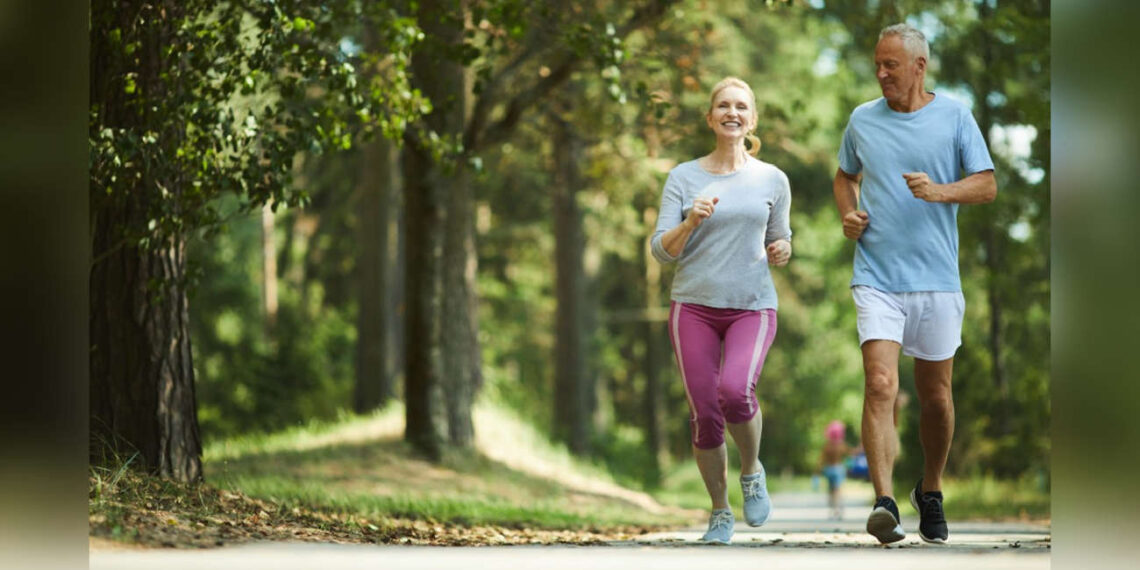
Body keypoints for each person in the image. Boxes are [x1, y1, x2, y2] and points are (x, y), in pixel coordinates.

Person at [833, 23, 996, 545]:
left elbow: (987, 185)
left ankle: (930, 489)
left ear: (920, 67)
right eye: (877, 64)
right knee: (880, 384)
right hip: (877, 275)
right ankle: (883, 502)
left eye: (891, 65)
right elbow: (844, 176)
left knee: (937, 398)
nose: (880, 73)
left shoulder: (954, 116)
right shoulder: (862, 119)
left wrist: (941, 191)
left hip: (937, 280)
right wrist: (849, 214)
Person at [651, 76, 792, 545]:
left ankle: (751, 471)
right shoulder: (683, 177)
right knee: (705, 412)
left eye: (741, 107)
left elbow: (780, 236)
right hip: (692, 306)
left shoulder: (772, 178)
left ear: (752, 119)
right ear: (710, 117)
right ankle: (719, 510)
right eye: (723, 106)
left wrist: (781, 249)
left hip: (752, 307)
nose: (732, 113)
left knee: (735, 392)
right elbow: (660, 250)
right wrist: (690, 221)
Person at [818, 420, 851, 520]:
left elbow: (822, 459)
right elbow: (850, 453)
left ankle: (832, 509)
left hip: (829, 469)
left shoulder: (827, 446)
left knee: (830, 490)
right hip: (838, 469)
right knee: (838, 490)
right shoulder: (841, 445)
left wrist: (818, 470)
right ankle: (838, 508)